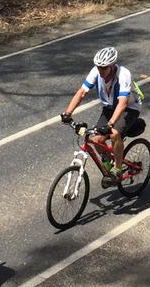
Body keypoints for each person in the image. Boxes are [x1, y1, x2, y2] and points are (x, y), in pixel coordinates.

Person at [60, 47, 142, 187]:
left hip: (129, 108)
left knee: (114, 132)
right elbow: (82, 92)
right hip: (110, 108)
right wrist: (68, 113)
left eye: (104, 68)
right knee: (94, 139)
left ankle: (117, 169)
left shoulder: (123, 74)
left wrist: (110, 125)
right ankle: (107, 164)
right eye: (98, 67)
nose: (100, 71)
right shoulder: (96, 72)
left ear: (111, 66)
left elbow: (122, 103)